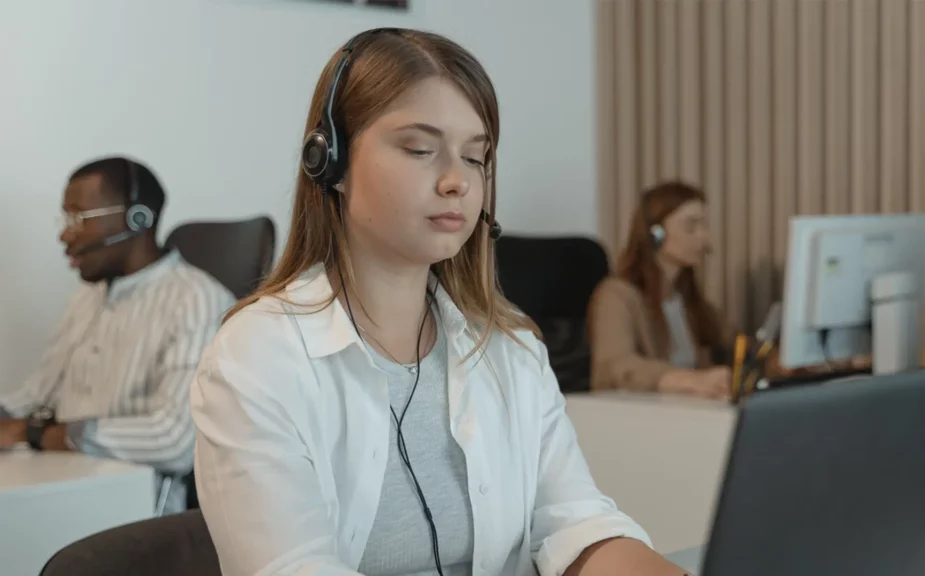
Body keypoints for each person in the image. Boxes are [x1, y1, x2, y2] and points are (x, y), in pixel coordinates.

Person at [190, 28, 686, 576]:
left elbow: (575, 523)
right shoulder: (258, 356)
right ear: (330, 162)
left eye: (475, 158)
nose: (457, 182)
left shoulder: (510, 348)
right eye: (420, 150)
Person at [0, 157, 235, 513]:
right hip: (64, 478)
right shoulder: (89, 295)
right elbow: (39, 393)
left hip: (133, 504)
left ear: (137, 219)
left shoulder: (197, 300)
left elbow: (176, 439)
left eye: (79, 218)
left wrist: (40, 434)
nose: (65, 234)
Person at [588, 182, 733, 398]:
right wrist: (689, 380)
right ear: (656, 234)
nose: (704, 238)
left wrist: (772, 360)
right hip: (641, 414)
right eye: (691, 226)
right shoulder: (617, 295)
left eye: (704, 225)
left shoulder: (687, 299)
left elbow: (736, 342)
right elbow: (615, 366)